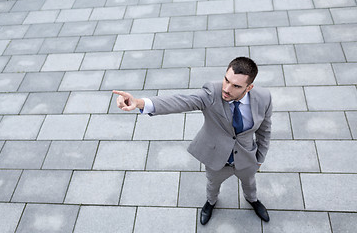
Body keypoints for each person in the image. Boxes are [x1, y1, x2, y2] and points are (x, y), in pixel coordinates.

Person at [113, 57, 272, 224]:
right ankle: (210, 203)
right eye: (226, 80)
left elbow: (265, 131)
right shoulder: (211, 92)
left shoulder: (264, 98)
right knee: (212, 185)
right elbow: (181, 101)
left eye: (236, 86)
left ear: (249, 87)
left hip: (247, 158)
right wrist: (138, 102)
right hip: (216, 158)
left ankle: (252, 200)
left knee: (250, 183)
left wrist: (260, 159)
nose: (226, 88)